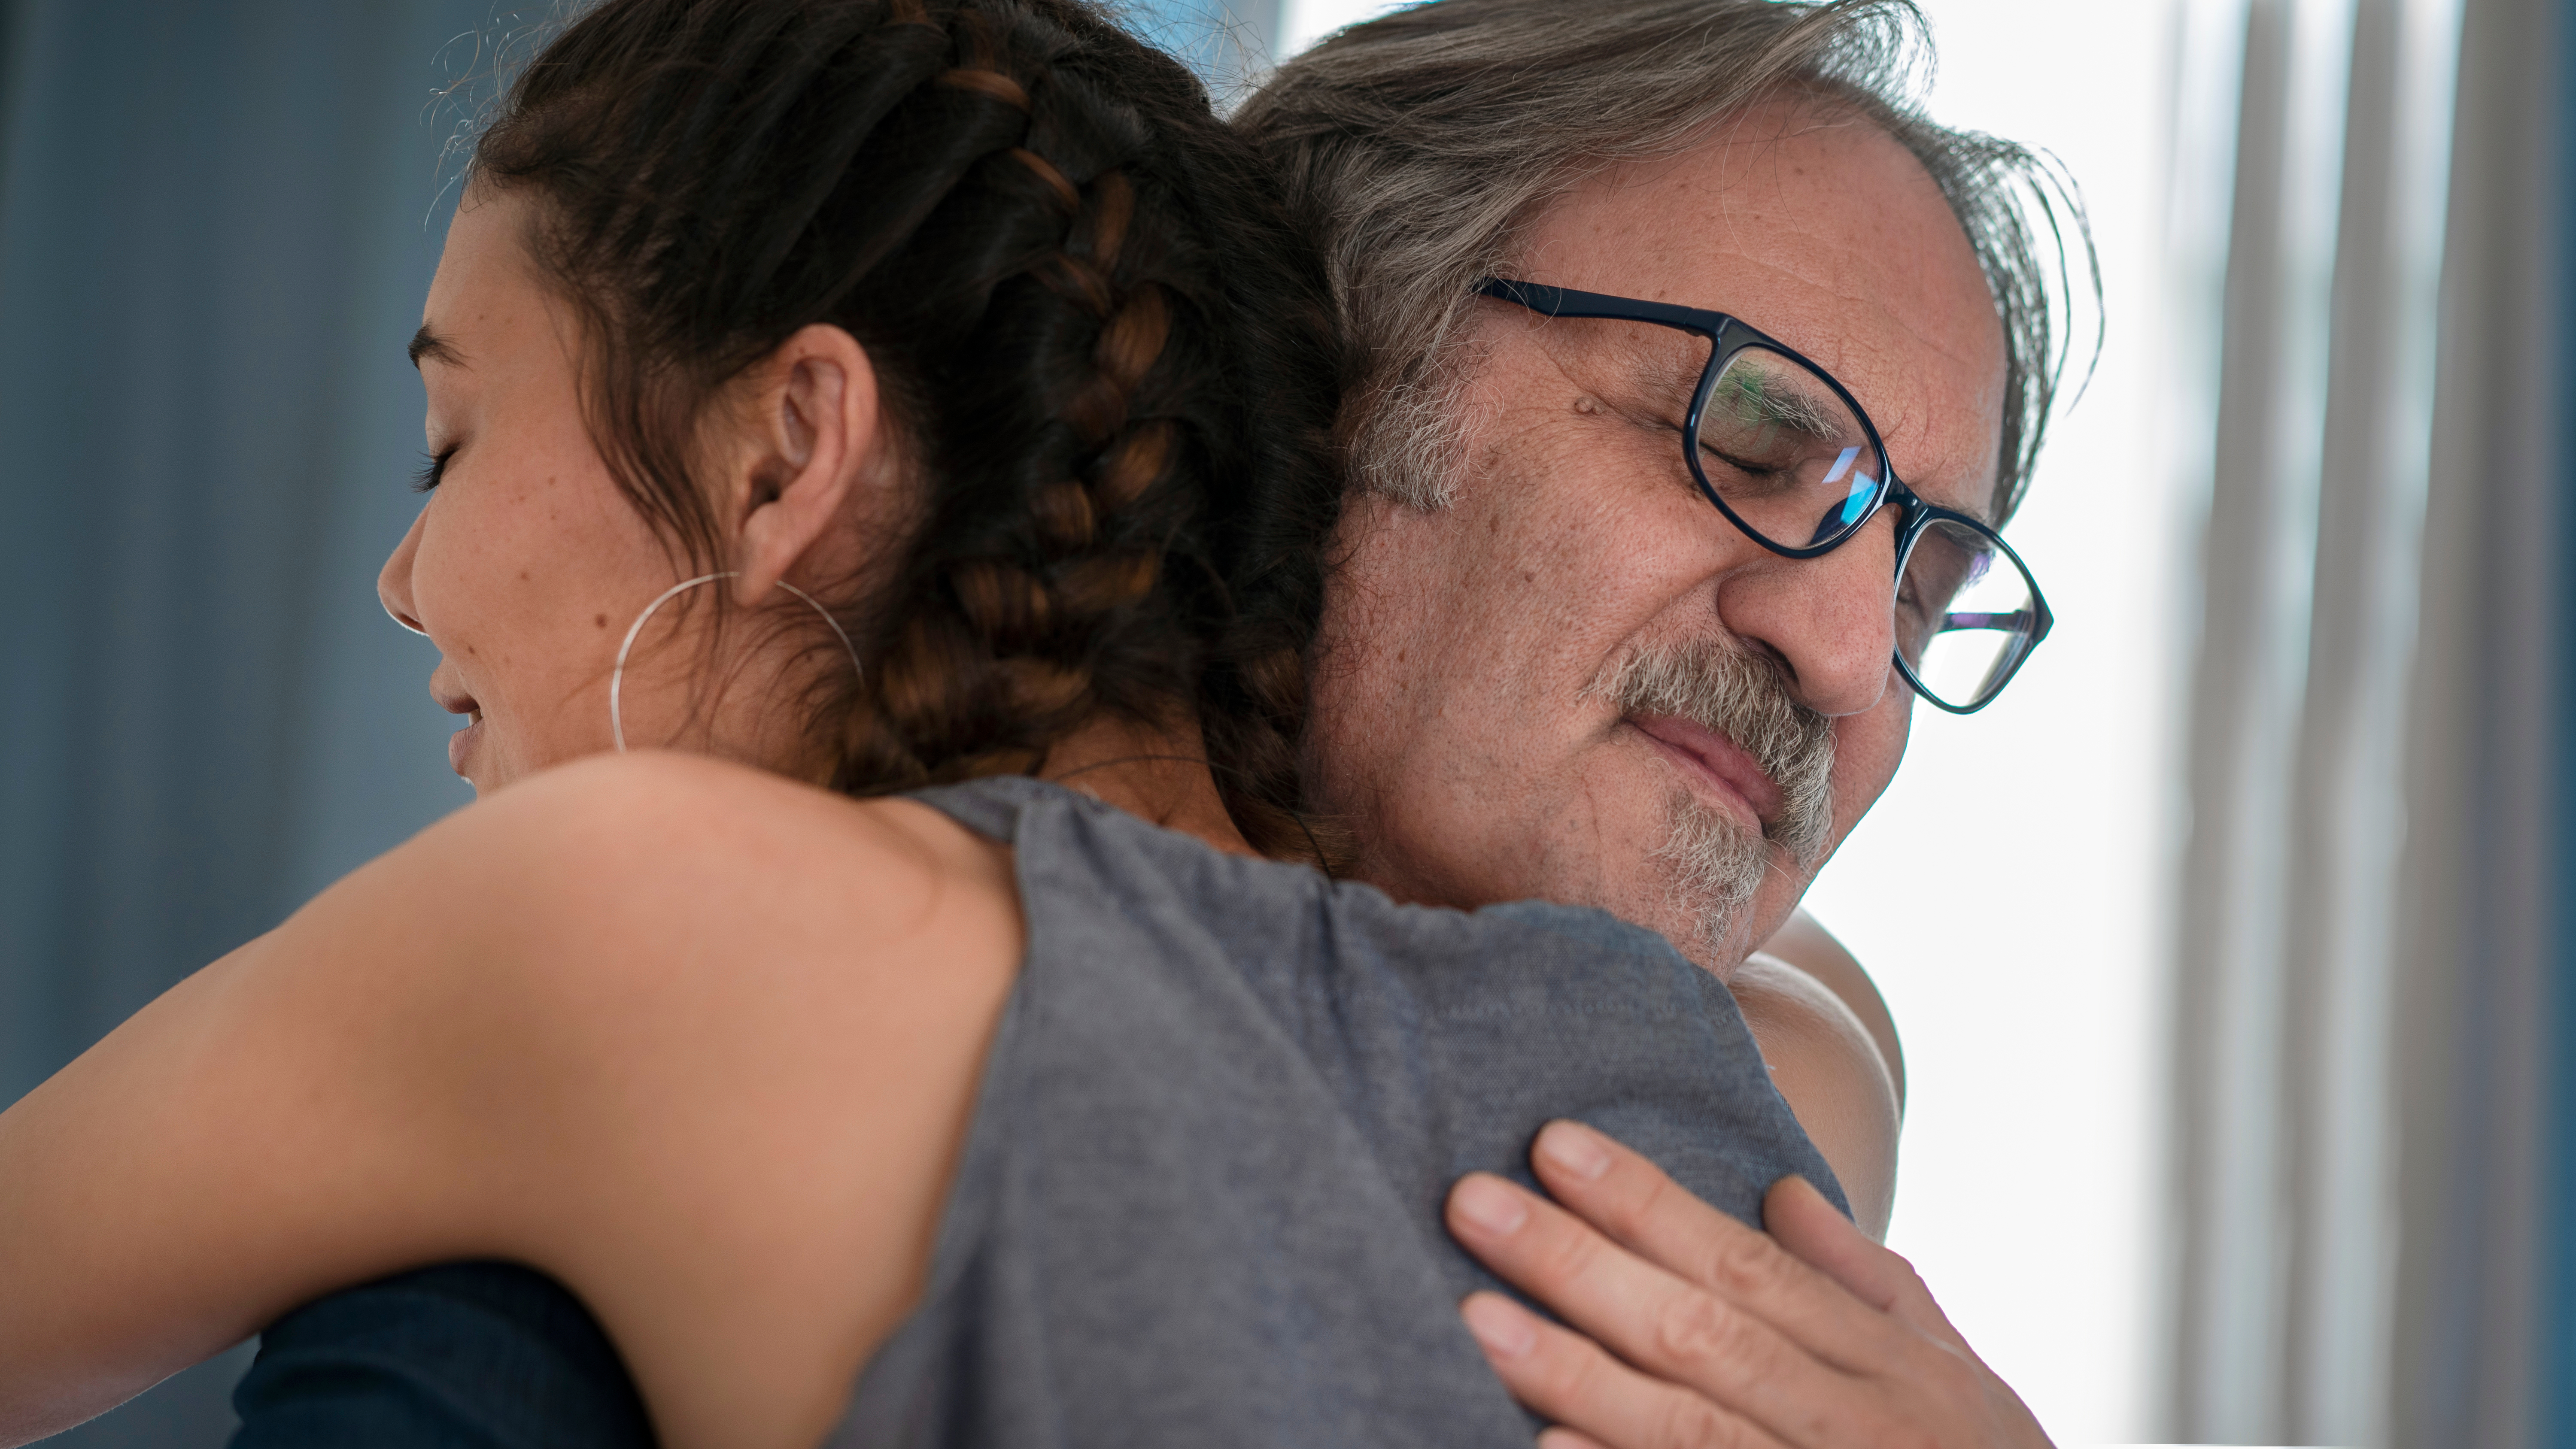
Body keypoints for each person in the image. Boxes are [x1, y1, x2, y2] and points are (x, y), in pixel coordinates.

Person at [0, 1, 2017, 1447]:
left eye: (1930, 585)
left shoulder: (625, 938)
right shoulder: (1764, 1111)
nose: (1853, 660)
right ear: (1345, 370)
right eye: (1755, 439)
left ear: (801, 444)